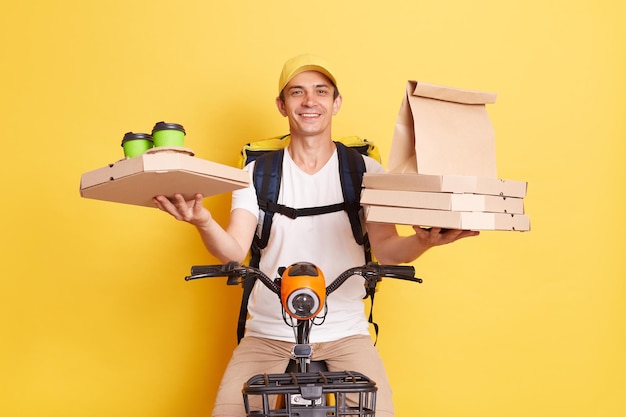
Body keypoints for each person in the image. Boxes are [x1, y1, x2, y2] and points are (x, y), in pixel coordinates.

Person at [154, 54, 478, 417]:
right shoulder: (255, 174)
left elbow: (386, 250)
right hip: (267, 334)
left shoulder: (365, 171)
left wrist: (424, 240)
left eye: (321, 92)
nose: (310, 101)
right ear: (282, 105)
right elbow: (233, 250)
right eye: (297, 92)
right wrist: (202, 221)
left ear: (336, 103)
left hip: (346, 333)